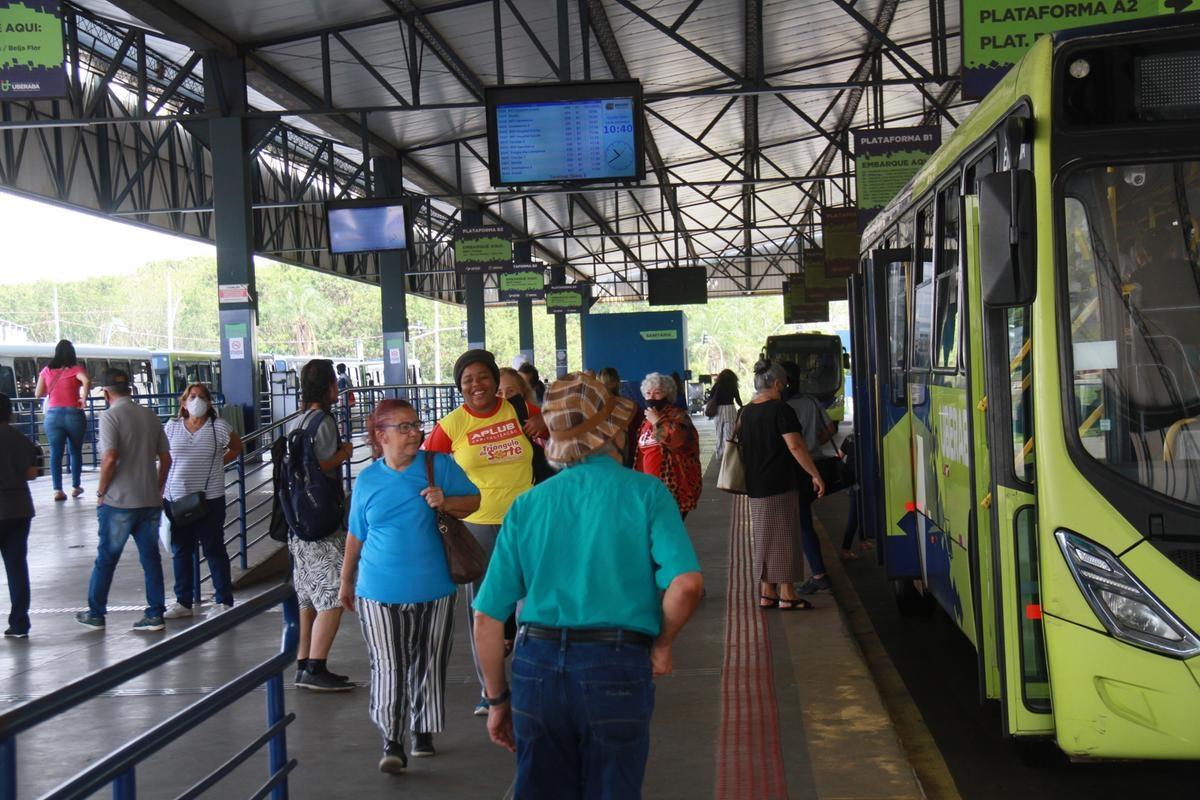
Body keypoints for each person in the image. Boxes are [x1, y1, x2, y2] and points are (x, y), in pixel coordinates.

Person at [473, 372, 704, 798]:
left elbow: (487, 618)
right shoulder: (646, 494)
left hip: (536, 665)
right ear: (613, 429)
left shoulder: (528, 505)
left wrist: (497, 700)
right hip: (616, 663)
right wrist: (664, 643)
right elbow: (686, 585)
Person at [339, 399, 480, 772]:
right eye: (404, 427)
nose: (415, 432)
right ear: (380, 434)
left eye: (416, 425)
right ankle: (392, 739)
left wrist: (445, 501)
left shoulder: (439, 467)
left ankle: (423, 729)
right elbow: (356, 534)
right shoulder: (368, 479)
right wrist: (345, 580)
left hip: (434, 589)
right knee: (389, 667)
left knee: (430, 662)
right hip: (377, 590)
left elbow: (474, 501)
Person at [424, 349, 539, 715]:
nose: (477, 385)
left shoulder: (518, 410)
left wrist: (547, 426)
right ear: (459, 386)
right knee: (485, 610)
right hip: (476, 526)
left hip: (526, 522)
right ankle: (491, 692)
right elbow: (425, 467)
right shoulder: (452, 425)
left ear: (495, 379)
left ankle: (527, 682)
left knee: (530, 608)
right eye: (467, 380)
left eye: (483, 377)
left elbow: (558, 433)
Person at [75, 368, 172, 632]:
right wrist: (158, 487)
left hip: (118, 502)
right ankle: (155, 614)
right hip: (149, 500)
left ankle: (96, 613)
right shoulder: (150, 415)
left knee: (106, 558)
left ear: (106, 393)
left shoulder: (109, 417)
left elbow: (110, 458)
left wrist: (100, 492)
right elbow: (166, 458)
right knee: (150, 558)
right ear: (130, 389)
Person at [291, 359, 357, 692]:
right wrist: (345, 452)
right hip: (321, 520)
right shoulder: (324, 421)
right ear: (330, 386)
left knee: (307, 596)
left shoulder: (298, 420)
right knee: (332, 594)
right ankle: (316, 667)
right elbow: (322, 464)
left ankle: (304, 661)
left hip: (299, 521)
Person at [739, 360, 825, 611]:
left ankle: (767, 592)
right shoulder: (780, 410)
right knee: (786, 537)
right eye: (784, 382)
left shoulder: (745, 411)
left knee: (765, 537)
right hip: (781, 481)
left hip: (755, 483)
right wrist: (815, 474)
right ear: (777, 383)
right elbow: (796, 446)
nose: (786, 386)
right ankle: (787, 594)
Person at [162, 383, 243, 619]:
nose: (196, 400)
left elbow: (236, 447)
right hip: (176, 499)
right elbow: (164, 457)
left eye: (201, 397)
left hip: (209, 500)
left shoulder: (218, 427)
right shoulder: (172, 427)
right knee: (181, 550)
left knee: (213, 548)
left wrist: (220, 463)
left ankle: (224, 600)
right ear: (184, 402)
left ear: (209, 403)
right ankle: (183, 602)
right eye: (192, 396)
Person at [782, 361, 836, 595]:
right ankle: (816, 572)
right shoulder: (811, 402)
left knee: (802, 524)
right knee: (803, 521)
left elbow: (791, 445)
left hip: (793, 469)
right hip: (814, 464)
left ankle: (818, 574)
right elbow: (830, 429)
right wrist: (813, 444)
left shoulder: (779, 407)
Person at [634, 372, 703, 519]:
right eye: (648, 393)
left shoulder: (678, 416)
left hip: (673, 489)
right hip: (650, 490)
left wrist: (657, 421)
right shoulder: (647, 419)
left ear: (668, 395)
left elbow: (676, 440)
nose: (651, 397)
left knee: (667, 533)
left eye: (657, 393)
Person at [0, 393, 41, 638]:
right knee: (16, 567)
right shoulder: (21, 439)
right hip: (19, 509)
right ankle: (19, 623)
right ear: (9, 413)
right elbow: (32, 474)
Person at [34, 339, 90, 502]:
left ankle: (57, 490)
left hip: (53, 416)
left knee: (56, 453)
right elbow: (86, 380)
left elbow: (38, 393)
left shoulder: (46, 371)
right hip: (74, 413)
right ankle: (75, 487)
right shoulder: (76, 369)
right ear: (72, 354)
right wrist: (83, 398)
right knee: (75, 451)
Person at [599, 366, 642, 467]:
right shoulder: (632, 407)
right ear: (618, 383)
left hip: (602, 461)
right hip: (627, 460)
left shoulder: (592, 409)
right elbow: (641, 433)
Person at [707, 369, 743, 462]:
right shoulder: (733, 386)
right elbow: (738, 400)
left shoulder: (716, 385)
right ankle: (729, 455)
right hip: (730, 409)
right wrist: (742, 407)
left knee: (719, 433)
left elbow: (710, 398)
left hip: (718, 410)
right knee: (730, 434)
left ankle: (719, 455)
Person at [336, 362, 355, 433]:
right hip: (345, 398)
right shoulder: (345, 376)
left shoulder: (342, 377)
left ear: (339, 370)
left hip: (344, 399)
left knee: (344, 414)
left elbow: (348, 387)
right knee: (346, 414)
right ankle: (347, 430)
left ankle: (346, 431)